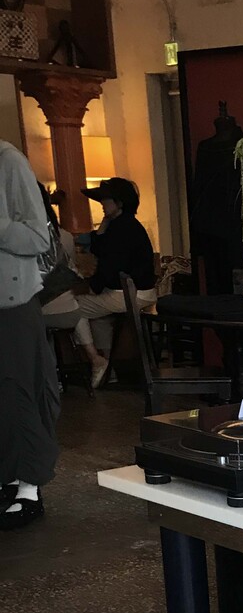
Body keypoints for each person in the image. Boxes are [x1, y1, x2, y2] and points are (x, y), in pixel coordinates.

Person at [0, 140, 60, 531]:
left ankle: (29, 487)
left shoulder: (8, 162)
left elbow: (39, 238)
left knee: (20, 391)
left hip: (12, 303)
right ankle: (8, 479)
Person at [72, 177, 156, 388]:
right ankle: (108, 369)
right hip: (138, 292)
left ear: (119, 202)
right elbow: (101, 248)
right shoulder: (124, 225)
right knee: (99, 318)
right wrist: (106, 221)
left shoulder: (121, 229)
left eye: (106, 199)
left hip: (130, 293)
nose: (102, 203)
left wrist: (92, 287)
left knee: (72, 308)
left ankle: (96, 359)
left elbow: (109, 265)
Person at [38, 183, 82, 334]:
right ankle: (90, 348)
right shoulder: (65, 235)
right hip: (69, 309)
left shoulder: (23, 238)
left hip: (41, 312)